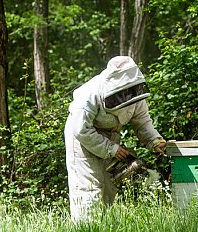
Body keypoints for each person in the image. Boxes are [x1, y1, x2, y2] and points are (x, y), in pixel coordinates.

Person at [64, 56, 166, 222]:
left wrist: (155, 140)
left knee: (108, 187)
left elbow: (142, 121)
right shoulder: (91, 93)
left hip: (110, 137)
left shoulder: (134, 93)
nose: (126, 95)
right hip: (82, 138)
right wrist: (111, 149)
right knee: (89, 187)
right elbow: (81, 129)